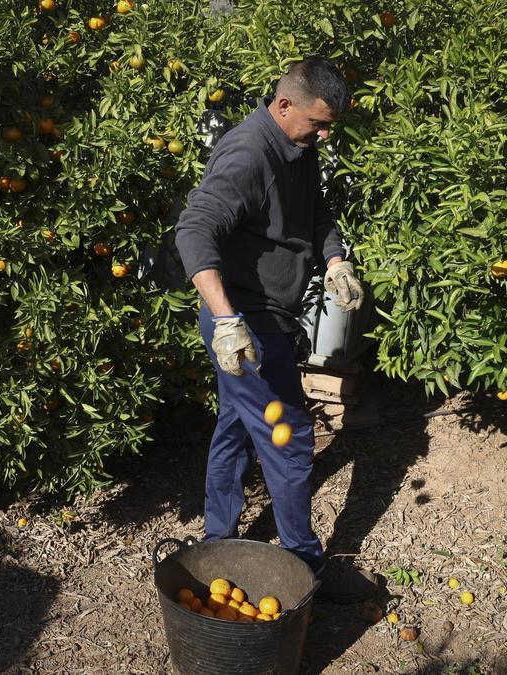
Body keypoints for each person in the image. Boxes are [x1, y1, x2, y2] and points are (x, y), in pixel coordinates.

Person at [173, 57, 367, 595]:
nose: (325, 135)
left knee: (236, 428)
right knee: (291, 438)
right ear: (284, 106)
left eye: (330, 125)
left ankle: (217, 538)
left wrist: (334, 261)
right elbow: (194, 231)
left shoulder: (298, 148)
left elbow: (316, 214)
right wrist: (227, 320)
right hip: (244, 322)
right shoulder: (248, 152)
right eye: (319, 123)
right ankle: (307, 564)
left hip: (269, 316)